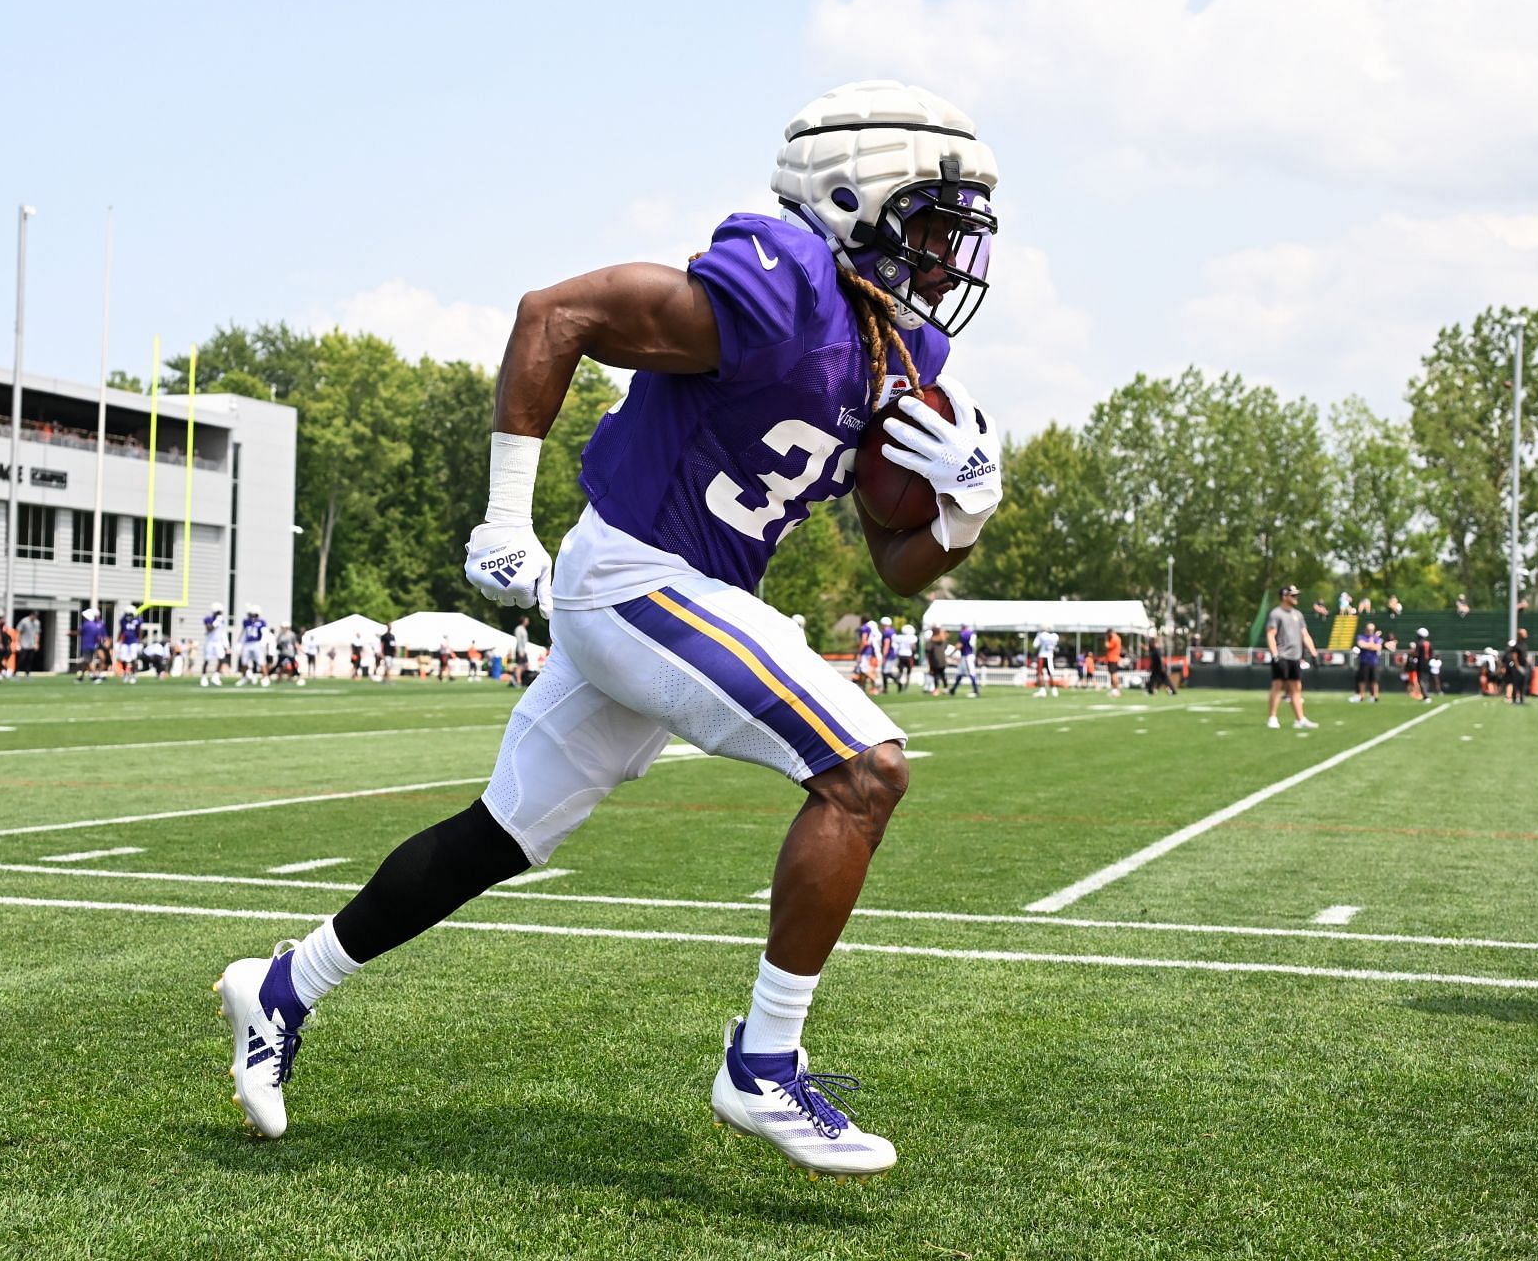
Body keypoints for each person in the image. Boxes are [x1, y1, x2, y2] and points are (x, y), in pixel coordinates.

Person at [212, 79, 1004, 1177]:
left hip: (673, 595)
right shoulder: (785, 288)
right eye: (930, 227)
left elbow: (900, 562)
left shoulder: (899, 360)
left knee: (500, 833)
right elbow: (556, 313)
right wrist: (502, 512)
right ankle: (763, 1061)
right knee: (863, 768)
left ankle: (282, 984)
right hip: (637, 573)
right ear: (848, 200)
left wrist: (965, 508)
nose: (945, 263)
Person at [1266, 586, 1320, 728]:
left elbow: (1305, 635)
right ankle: (1272, 718)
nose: (1296, 598)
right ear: (1284, 596)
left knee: (1296, 687)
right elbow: (1271, 634)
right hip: (1282, 655)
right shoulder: (1276, 614)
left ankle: (1300, 719)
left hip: (1295, 657)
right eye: (1293, 595)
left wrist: (1313, 652)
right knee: (1277, 686)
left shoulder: (1298, 615)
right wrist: (1275, 655)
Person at [1350, 621, 1383, 703]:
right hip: (1364, 661)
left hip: (1374, 662)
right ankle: (1361, 695)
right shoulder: (1361, 637)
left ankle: (1375, 696)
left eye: (1372, 629)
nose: (1370, 631)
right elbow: (1361, 645)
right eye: (1369, 629)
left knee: (1374, 680)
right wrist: (1371, 644)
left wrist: (1369, 644)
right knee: (1362, 680)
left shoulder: (1377, 638)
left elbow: (1378, 647)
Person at [237, 605, 268, 686]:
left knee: (261, 661)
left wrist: (263, 642)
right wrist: (240, 643)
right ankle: (244, 677)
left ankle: (265, 678)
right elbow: (243, 633)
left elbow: (265, 633)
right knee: (244, 662)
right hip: (247, 643)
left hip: (257, 643)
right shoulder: (246, 622)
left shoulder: (261, 622)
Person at [948, 623, 981, 697]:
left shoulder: (964, 634)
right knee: (960, 673)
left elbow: (960, 645)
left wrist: (951, 653)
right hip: (968, 655)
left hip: (966, 656)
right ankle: (953, 690)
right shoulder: (971, 633)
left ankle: (976, 690)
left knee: (971, 673)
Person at [201, 603, 228, 687]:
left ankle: (216, 676)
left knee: (222, 659)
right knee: (207, 660)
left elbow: (222, 632)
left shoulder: (221, 620)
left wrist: (226, 645)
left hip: (218, 642)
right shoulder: (208, 619)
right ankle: (204, 677)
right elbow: (209, 628)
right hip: (210, 642)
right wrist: (216, 622)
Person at [117, 604, 144, 685]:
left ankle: (134, 675)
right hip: (125, 641)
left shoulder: (138, 620)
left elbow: (139, 631)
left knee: (133, 658)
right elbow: (122, 630)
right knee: (123, 658)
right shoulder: (123, 620)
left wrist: (139, 642)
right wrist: (118, 641)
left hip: (133, 641)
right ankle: (126, 674)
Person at [1145, 631, 1175, 696]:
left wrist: (1162, 666)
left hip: (1159, 667)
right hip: (1155, 667)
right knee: (1153, 678)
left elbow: (1161, 658)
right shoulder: (1153, 648)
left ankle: (1173, 690)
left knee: (1165, 679)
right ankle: (1150, 690)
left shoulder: (1157, 648)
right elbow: (1148, 649)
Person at [1031, 626, 1059, 697]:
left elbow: (1035, 645)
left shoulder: (1041, 635)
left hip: (1042, 656)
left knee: (1040, 674)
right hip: (1050, 657)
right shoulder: (1055, 636)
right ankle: (1054, 690)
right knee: (1051, 674)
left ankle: (1042, 690)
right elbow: (1055, 646)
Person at [924, 625, 947, 695]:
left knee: (936, 675)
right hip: (942, 660)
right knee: (942, 675)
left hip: (935, 660)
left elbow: (928, 650)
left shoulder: (932, 640)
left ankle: (936, 689)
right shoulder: (942, 639)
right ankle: (945, 688)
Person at [893, 623, 917, 691]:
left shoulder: (899, 637)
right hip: (908, 656)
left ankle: (899, 686)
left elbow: (896, 646)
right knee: (908, 672)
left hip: (900, 656)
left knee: (900, 672)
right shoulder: (912, 638)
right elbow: (914, 648)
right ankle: (905, 687)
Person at [17, 612, 41, 678]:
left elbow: (37, 634)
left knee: (29, 660)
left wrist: (36, 643)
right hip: (24, 644)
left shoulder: (37, 623)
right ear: (31, 615)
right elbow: (18, 632)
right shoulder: (24, 621)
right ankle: (16, 672)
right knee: (22, 659)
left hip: (32, 645)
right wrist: (18, 643)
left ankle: (27, 674)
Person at [1103, 628, 1123, 697]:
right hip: (1114, 658)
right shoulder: (1118, 638)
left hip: (1112, 658)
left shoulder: (1114, 639)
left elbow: (1107, 646)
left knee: (1113, 674)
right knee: (1114, 674)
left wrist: (1106, 639)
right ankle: (1115, 689)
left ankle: (1115, 690)